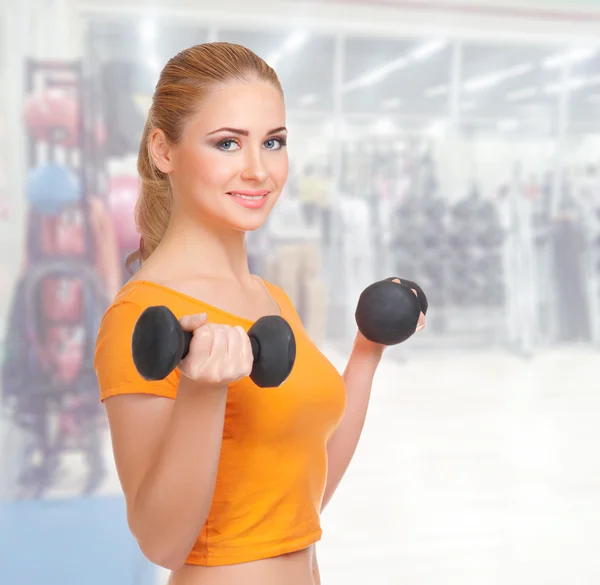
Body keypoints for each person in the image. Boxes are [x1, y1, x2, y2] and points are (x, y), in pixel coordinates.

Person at [94, 42, 425, 585]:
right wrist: (203, 393)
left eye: (273, 142)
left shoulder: (270, 298)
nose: (258, 170)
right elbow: (161, 541)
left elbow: (304, 497)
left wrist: (367, 351)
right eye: (227, 143)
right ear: (163, 151)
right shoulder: (141, 316)